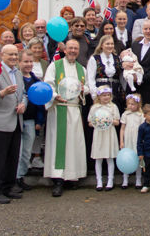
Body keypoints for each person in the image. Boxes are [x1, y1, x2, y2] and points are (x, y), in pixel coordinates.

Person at [43, 39, 88, 197]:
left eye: (76, 48)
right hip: (59, 109)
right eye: (70, 48)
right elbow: (48, 84)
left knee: (74, 143)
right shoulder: (55, 66)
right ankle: (58, 179)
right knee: (59, 144)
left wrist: (84, 90)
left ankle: (72, 176)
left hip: (74, 110)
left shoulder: (81, 68)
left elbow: (87, 86)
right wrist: (55, 96)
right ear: (65, 49)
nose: (73, 51)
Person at [0, 44, 27, 204]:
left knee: (12, 158)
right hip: (0, 124)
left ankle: (8, 187)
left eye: (16, 55)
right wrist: (2, 93)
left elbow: (23, 94)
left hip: (16, 121)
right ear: (2, 55)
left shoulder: (18, 73)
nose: (14, 58)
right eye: (10, 55)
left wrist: (23, 104)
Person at [16, 49, 43, 192]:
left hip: (31, 121)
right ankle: (13, 178)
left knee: (26, 151)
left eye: (30, 62)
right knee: (18, 151)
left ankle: (21, 177)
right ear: (19, 62)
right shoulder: (16, 78)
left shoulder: (35, 80)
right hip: (17, 119)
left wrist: (39, 121)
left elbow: (39, 103)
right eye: (25, 61)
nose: (28, 64)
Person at [88, 86, 120, 191]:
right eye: (103, 95)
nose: (106, 97)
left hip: (109, 133)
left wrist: (109, 120)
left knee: (109, 157)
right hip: (99, 133)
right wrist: (98, 122)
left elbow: (117, 122)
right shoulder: (95, 108)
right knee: (98, 158)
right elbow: (90, 122)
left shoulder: (113, 107)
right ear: (99, 96)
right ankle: (99, 181)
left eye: (108, 95)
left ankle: (110, 180)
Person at [87, 35, 124, 114]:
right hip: (101, 93)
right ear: (101, 45)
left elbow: (121, 76)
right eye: (107, 44)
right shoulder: (95, 58)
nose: (110, 46)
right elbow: (90, 78)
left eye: (112, 44)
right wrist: (95, 96)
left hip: (115, 92)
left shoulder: (117, 58)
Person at [119, 93, 144, 189]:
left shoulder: (140, 115)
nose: (130, 106)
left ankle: (138, 179)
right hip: (128, 139)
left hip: (137, 139)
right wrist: (121, 141)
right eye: (129, 104)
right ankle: (125, 179)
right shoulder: (125, 114)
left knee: (138, 158)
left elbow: (142, 129)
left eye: (133, 104)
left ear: (138, 105)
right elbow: (122, 128)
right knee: (126, 158)